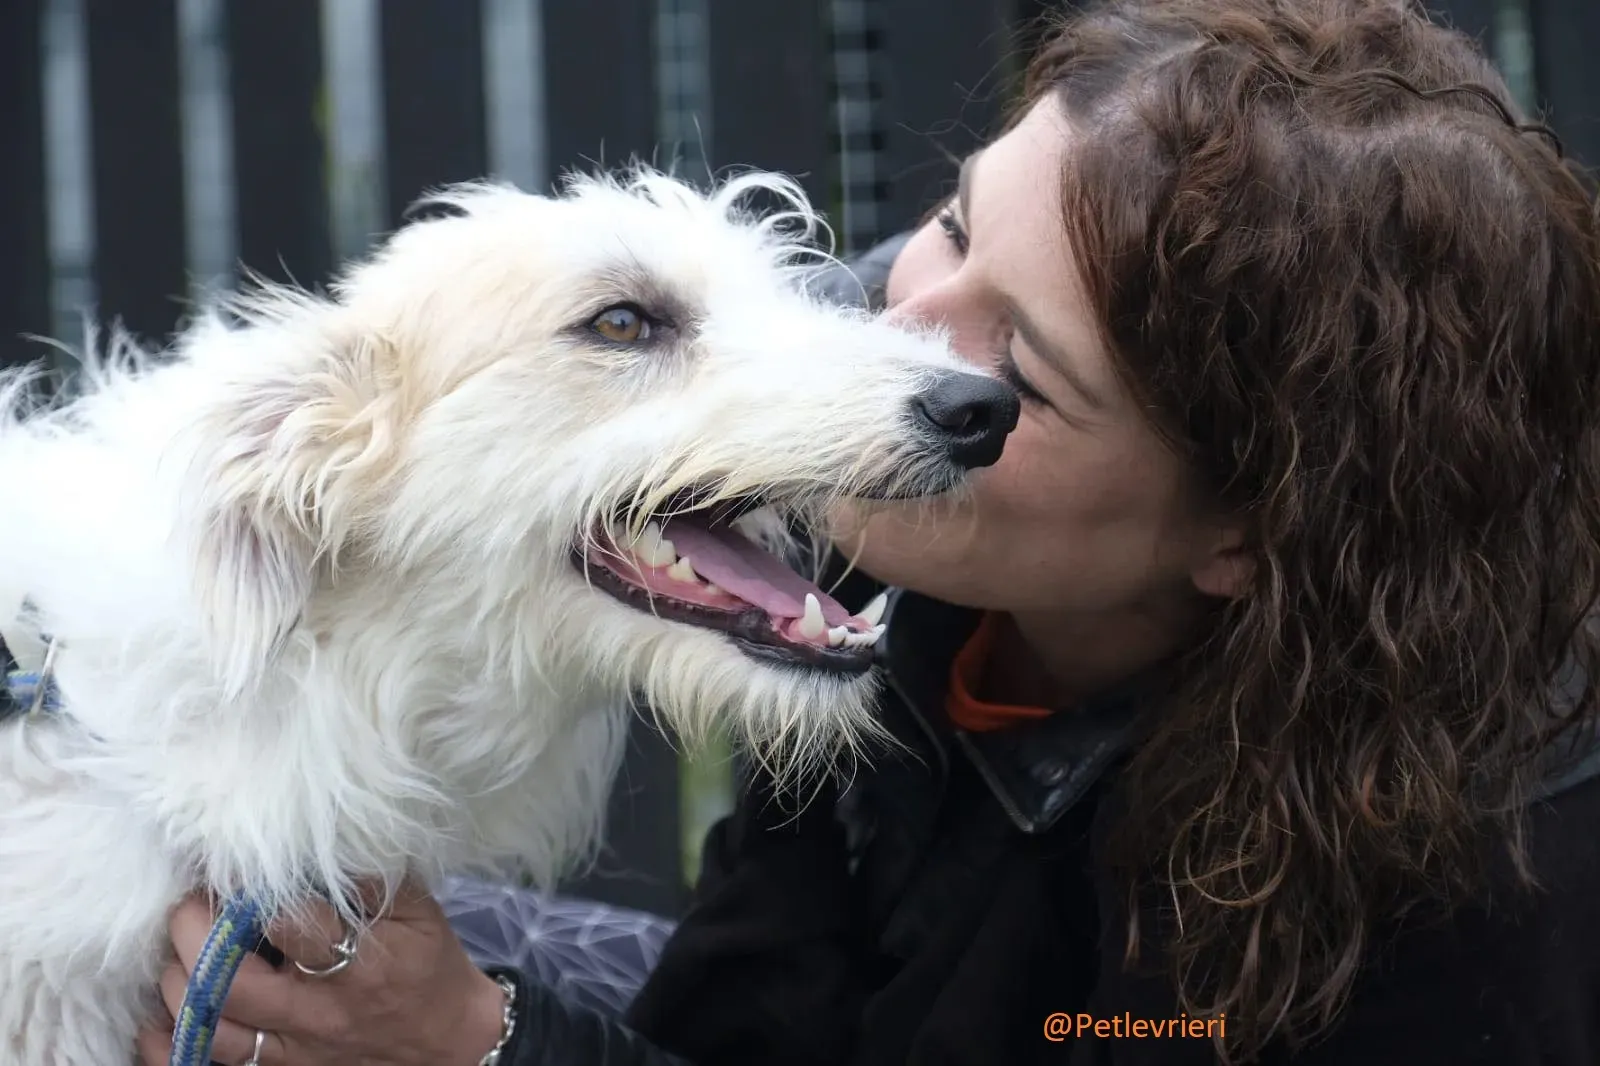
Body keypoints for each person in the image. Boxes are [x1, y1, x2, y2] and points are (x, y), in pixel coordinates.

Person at [139, 0, 1600, 1063]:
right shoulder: (890, 515)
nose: (883, 340)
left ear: (1247, 535)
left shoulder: (1456, 932)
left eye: (1019, 374)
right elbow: (731, 1019)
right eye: (954, 226)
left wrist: (481, 1045)